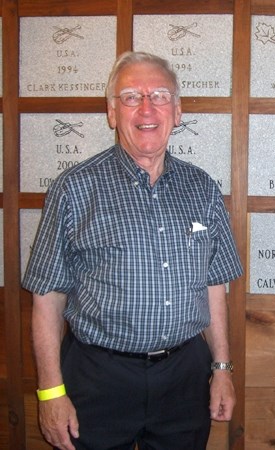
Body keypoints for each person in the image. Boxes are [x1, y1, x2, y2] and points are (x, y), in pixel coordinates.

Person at [22, 51, 243, 450]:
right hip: (97, 378)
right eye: (130, 97)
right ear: (112, 112)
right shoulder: (73, 189)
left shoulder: (204, 189)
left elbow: (213, 287)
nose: (146, 108)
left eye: (159, 95)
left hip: (184, 379)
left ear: (177, 111)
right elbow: (48, 297)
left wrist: (222, 368)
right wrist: (50, 393)